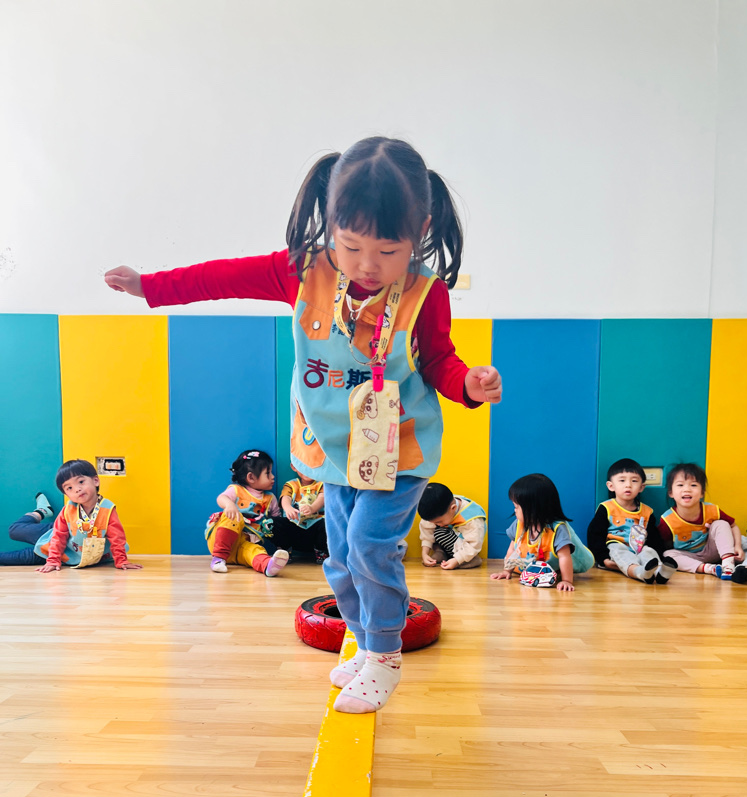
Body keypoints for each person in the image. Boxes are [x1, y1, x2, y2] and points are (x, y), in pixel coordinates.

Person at [105, 136, 501, 713]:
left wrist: (468, 384)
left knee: (370, 543)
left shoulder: (424, 292)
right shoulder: (303, 272)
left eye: (389, 250)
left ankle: (385, 656)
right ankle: (364, 644)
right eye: (351, 245)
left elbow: (440, 359)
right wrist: (150, 286)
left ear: (421, 229)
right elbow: (222, 278)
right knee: (339, 555)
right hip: (333, 450)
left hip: (399, 447)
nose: (368, 265)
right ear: (331, 224)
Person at [0, 460, 141, 571]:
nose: (77, 489)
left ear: (95, 481)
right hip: (56, 536)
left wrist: (121, 561)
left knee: (12, 558)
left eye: (81, 482)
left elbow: (117, 537)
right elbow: (58, 536)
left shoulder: (107, 509)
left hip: (68, 554)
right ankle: (42, 511)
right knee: (14, 530)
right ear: (67, 494)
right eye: (70, 488)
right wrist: (53, 559)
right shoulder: (68, 510)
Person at [490, 473, 593, 591]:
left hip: (554, 568)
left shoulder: (557, 529)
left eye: (517, 507)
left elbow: (564, 556)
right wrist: (506, 571)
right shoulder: (519, 524)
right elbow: (513, 549)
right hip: (530, 567)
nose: (514, 510)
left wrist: (567, 580)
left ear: (533, 509)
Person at [587, 458, 677, 584]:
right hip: (615, 548)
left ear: (641, 487)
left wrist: (659, 555)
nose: (628, 485)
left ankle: (660, 573)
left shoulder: (647, 512)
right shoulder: (607, 508)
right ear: (611, 486)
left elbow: (654, 538)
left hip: (639, 548)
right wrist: (603, 558)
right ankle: (640, 573)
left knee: (648, 551)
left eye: (634, 481)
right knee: (619, 550)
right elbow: (595, 534)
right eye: (622, 480)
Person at [206, 449, 289, 576]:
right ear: (251, 477)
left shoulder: (270, 499)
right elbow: (221, 498)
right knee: (234, 517)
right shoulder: (236, 490)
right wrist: (229, 505)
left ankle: (268, 566)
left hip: (243, 547)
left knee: (256, 550)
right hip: (221, 542)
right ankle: (218, 559)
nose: (273, 477)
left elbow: (277, 520)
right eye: (268, 473)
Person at [659, 463, 743, 578]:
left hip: (712, 551)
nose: (687, 489)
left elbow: (733, 526)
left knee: (721, 524)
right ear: (671, 493)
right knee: (667, 554)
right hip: (688, 556)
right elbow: (666, 544)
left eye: (693, 485)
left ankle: (728, 564)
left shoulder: (712, 510)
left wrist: (737, 546)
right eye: (680, 485)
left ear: (702, 493)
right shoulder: (668, 519)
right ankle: (710, 569)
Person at [417, 481, 486, 569]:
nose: (437, 524)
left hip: (465, 546)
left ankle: (469, 559)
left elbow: (473, 544)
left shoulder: (472, 519)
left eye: (438, 521)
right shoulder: (436, 508)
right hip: (449, 536)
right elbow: (427, 529)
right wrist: (425, 553)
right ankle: (441, 552)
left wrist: (457, 560)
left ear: (453, 508)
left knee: (441, 532)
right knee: (437, 531)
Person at [271, 467, 328, 562]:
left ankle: (320, 551)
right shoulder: (291, 484)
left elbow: (322, 498)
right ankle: (285, 551)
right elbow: (286, 497)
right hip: (294, 529)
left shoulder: (321, 484)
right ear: (294, 467)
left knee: (328, 524)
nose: (307, 469)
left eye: (311, 465)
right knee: (268, 523)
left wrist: (312, 508)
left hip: (315, 531)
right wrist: (288, 508)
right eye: (303, 466)